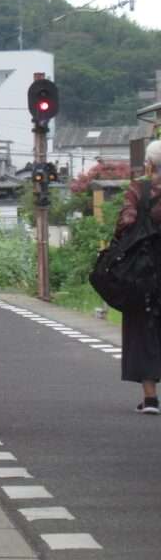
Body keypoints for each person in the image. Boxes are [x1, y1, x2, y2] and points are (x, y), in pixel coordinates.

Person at [115, 139, 161, 414]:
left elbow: (126, 222)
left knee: (143, 327)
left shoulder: (138, 189)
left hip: (144, 271)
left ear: (150, 163)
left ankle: (151, 398)